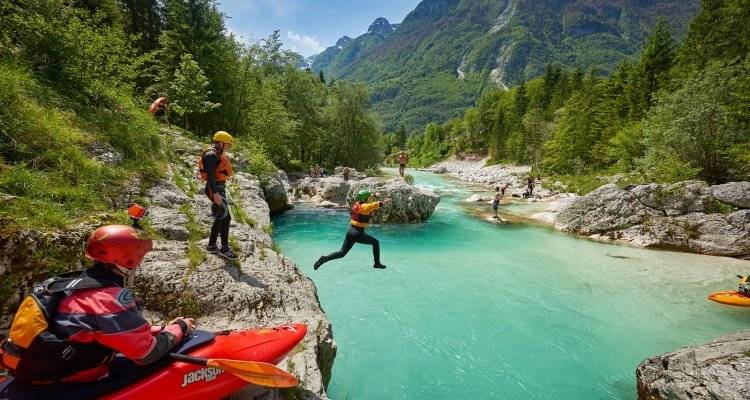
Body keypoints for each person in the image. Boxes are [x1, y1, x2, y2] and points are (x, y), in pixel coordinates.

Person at [0, 224, 195, 383]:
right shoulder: (109, 298)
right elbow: (146, 354)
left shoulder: (72, 282)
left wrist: (159, 328)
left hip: (37, 360)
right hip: (70, 376)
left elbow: (99, 327)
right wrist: (179, 327)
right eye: (140, 257)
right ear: (129, 260)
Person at [314, 190, 390, 270]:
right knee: (376, 242)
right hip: (358, 233)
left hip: (350, 231)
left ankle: (324, 259)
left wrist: (374, 194)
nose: (369, 198)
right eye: (368, 197)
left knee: (341, 253)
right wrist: (383, 202)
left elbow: (367, 200)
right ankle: (377, 263)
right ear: (366, 198)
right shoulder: (365, 207)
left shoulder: (356, 205)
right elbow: (374, 205)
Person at [198, 131, 237, 260]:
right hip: (215, 189)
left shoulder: (215, 153)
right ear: (221, 143)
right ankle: (224, 249)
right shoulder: (211, 155)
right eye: (227, 145)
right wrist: (215, 194)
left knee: (220, 216)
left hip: (218, 188)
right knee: (226, 217)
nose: (228, 147)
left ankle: (211, 245)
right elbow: (210, 176)